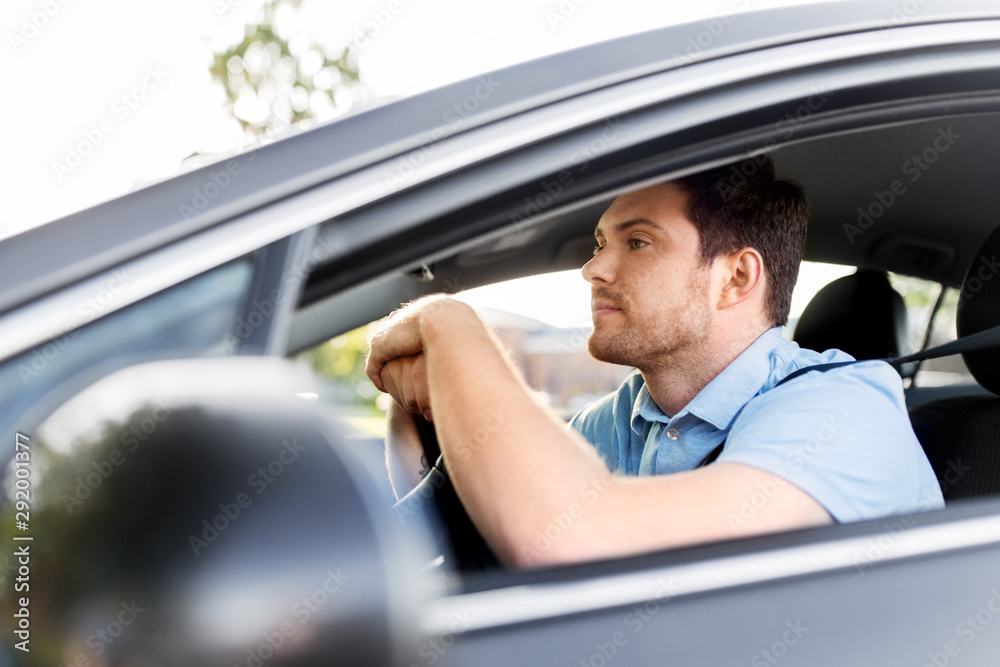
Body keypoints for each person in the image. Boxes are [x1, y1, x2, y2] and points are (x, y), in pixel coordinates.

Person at [365, 155, 944, 568]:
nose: (593, 270)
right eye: (599, 243)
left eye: (636, 242)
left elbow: (571, 536)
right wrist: (418, 398)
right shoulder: (617, 421)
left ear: (735, 278)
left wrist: (448, 322)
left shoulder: (845, 410)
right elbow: (433, 538)